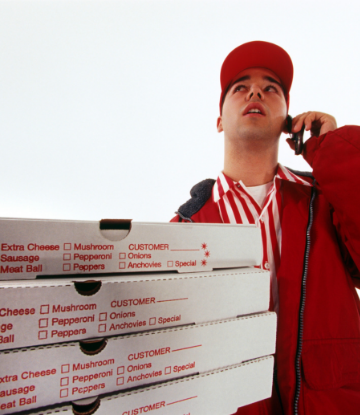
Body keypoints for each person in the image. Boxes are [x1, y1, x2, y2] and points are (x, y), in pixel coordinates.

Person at [171, 41, 360, 414]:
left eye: (271, 88)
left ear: (289, 119)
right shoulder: (184, 230)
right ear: (220, 119)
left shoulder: (327, 200)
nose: (255, 91)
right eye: (240, 87)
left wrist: (331, 149)